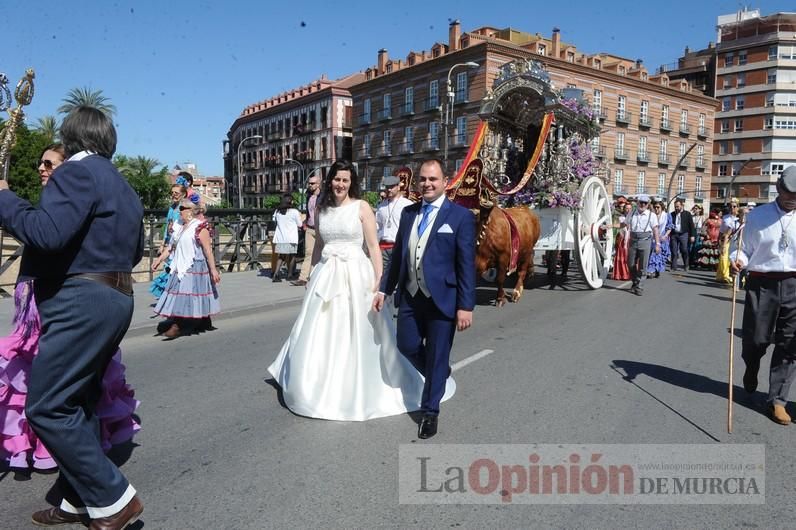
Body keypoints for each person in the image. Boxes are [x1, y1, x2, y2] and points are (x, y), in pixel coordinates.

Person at [0, 106, 144, 528]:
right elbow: (134, 252)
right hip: (116, 295)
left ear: (71, 137)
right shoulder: (123, 185)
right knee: (78, 402)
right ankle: (75, 499)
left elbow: (47, 232)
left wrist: (5, 198)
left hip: (81, 300)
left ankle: (114, 497)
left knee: (46, 405)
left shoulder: (76, 173)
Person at [268, 160, 455, 422]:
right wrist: (310, 274)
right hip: (326, 275)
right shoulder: (321, 210)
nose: (340, 184)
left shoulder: (362, 207)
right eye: (336, 179)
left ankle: (363, 383)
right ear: (329, 181)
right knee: (320, 330)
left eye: (345, 180)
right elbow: (320, 245)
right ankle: (318, 381)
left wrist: (379, 282)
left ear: (351, 182)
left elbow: (373, 247)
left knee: (358, 331)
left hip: (356, 274)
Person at [373, 158, 476, 439]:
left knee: (437, 353)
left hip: (443, 298)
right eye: (423, 179)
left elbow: (465, 264)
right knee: (406, 345)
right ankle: (438, 370)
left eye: (433, 179)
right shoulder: (409, 214)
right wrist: (385, 288)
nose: (427, 184)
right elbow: (398, 260)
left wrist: (465, 306)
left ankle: (430, 412)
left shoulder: (460, 217)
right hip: (411, 296)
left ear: (445, 182)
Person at [732, 167, 796, 425]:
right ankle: (752, 364)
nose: (792, 198)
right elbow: (743, 250)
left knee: (790, 344)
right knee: (756, 339)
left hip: (794, 283)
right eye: (789, 192)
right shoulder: (757, 216)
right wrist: (737, 259)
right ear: (779, 189)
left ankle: (777, 401)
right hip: (762, 283)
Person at [152, 199, 221, 338]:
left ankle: (178, 325)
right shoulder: (179, 227)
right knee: (182, 294)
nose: (179, 211)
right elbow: (171, 247)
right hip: (179, 266)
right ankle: (202, 321)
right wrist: (159, 259)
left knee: (187, 295)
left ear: (190, 211)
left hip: (194, 266)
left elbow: (208, 250)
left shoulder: (200, 227)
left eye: (182, 208)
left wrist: (213, 270)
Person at [150, 184, 187, 298]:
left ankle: (171, 295)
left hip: (178, 244)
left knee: (172, 269)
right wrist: (162, 243)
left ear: (183, 194)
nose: (174, 195)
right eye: (172, 193)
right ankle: (170, 295)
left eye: (176, 193)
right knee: (169, 268)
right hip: (170, 242)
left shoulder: (184, 208)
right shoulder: (172, 208)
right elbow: (167, 226)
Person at [375, 175, 413, 276]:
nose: (389, 189)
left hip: (398, 247)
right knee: (382, 277)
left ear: (398, 186)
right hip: (383, 247)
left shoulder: (407, 205)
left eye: (392, 187)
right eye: (387, 187)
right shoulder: (381, 206)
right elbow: (377, 226)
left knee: (398, 276)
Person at [624, 194, 661, 296]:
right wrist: (610, 225)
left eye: (645, 203)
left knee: (643, 266)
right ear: (637, 203)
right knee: (630, 263)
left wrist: (657, 244)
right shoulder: (632, 213)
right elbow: (625, 223)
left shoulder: (651, 215)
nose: (643, 204)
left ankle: (639, 286)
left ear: (648, 204)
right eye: (641, 202)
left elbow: (655, 230)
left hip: (646, 240)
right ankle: (636, 281)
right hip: (633, 240)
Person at [291, 175, 321, 286]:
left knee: (323, 253)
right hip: (309, 227)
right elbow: (309, 212)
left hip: (320, 229)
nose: (310, 185)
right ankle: (303, 278)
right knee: (309, 253)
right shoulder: (309, 195)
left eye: (312, 183)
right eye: (309, 183)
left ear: (318, 184)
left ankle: (318, 276)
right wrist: (305, 222)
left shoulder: (324, 196)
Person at [271, 194, 302, 282]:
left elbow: (274, 221)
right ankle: (290, 274)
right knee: (292, 256)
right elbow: (299, 224)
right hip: (291, 237)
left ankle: (276, 274)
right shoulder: (294, 211)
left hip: (280, 237)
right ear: (291, 201)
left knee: (281, 256)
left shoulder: (277, 211)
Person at [717, 200, 740, 284]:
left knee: (734, 259)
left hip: (736, 241)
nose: (732, 208)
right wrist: (718, 239)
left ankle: (735, 277)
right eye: (730, 206)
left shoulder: (740, 217)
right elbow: (722, 230)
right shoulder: (725, 217)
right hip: (726, 240)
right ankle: (725, 276)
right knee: (724, 257)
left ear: (737, 207)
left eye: (734, 206)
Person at [669, 199, 695, 271]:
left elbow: (691, 226)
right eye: (675, 207)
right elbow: (669, 224)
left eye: (677, 206)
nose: (676, 208)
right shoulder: (672, 214)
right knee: (674, 250)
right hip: (674, 234)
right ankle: (673, 266)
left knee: (684, 249)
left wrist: (692, 235)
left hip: (684, 234)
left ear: (682, 205)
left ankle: (686, 265)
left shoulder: (687, 214)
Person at [647, 201, 671, 278]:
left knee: (660, 256)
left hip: (663, 238)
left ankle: (657, 270)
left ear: (662, 208)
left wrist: (666, 235)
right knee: (653, 255)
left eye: (658, 207)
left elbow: (669, 227)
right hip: (653, 238)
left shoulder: (666, 215)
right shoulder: (651, 215)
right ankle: (651, 270)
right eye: (655, 207)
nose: (656, 209)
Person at [611, 201, 631, 281]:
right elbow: (623, 228)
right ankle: (622, 274)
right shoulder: (621, 218)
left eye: (630, 208)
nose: (628, 210)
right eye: (627, 208)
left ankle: (630, 273)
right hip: (623, 239)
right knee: (622, 257)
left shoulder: (633, 217)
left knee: (630, 257)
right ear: (624, 209)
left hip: (631, 239)